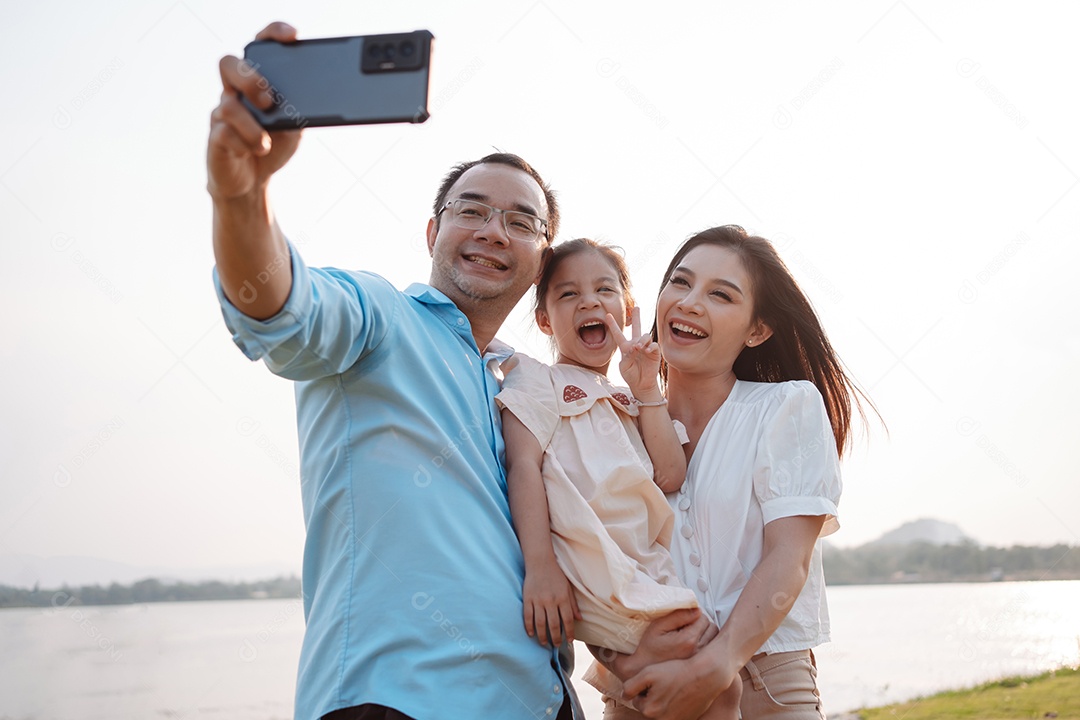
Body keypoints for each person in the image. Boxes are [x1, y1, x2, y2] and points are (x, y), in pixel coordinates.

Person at [207, 22, 582, 720]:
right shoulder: (378, 317)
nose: (493, 230)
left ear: (541, 259)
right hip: (394, 702)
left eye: (520, 221)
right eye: (470, 209)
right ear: (433, 232)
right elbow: (279, 304)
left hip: (542, 698)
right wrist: (240, 196)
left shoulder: (522, 388)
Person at [600, 225, 876, 720]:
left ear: (756, 330)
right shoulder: (612, 421)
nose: (689, 302)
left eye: (720, 295)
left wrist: (717, 664)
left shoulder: (785, 408)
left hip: (762, 686)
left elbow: (788, 558)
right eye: (680, 283)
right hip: (641, 691)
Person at [495, 238, 741, 720]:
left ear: (627, 308)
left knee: (679, 694)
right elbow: (521, 466)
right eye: (567, 295)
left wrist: (646, 386)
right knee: (715, 689)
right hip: (597, 573)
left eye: (604, 289)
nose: (589, 301)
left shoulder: (634, 399)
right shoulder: (537, 379)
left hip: (648, 573)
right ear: (545, 320)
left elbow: (671, 473)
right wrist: (540, 567)